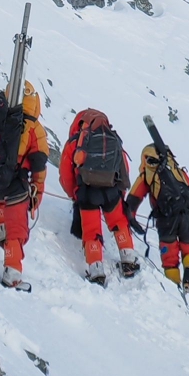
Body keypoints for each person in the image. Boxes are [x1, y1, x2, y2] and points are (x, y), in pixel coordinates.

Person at [0, 82, 49, 287]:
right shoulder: (34, 128)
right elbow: (39, 165)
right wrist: (37, 193)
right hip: (15, 188)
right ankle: (12, 272)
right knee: (16, 230)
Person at [60, 109, 138, 284]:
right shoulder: (112, 139)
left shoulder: (76, 142)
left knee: (91, 230)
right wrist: (120, 191)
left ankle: (96, 270)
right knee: (119, 222)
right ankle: (128, 259)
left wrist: (74, 193)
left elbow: (65, 173)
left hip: (87, 192)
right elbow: (124, 167)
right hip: (111, 191)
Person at [127, 139, 189, 297]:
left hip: (165, 219)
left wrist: (132, 221)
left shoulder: (147, 174)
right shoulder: (177, 170)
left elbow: (132, 201)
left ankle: (174, 288)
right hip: (187, 216)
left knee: (170, 257)